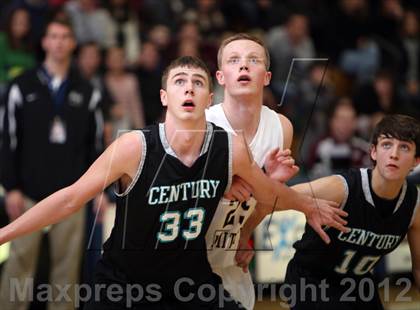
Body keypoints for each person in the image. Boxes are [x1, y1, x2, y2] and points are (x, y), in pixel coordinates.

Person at [0, 55, 345, 309]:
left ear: (210, 99)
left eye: (198, 82)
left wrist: (306, 205)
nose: (189, 88)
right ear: (165, 97)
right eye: (180, 81)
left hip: (190, 285)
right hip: (124, 286)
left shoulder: (230, 148)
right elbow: (69, 199)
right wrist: (4, 234)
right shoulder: (133, 147)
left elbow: (269, 192)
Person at [204, 33, 347, 310]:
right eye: (234, 60)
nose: (243, 66)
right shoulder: (204, 124)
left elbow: (264, 200)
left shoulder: (281, 127)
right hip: (186, 256)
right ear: (221, 77)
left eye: (253, 60)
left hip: (228, 256)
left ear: (267, 77)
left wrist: (245, 232)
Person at [239, 114, 420, 310]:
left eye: (404, 147)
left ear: (416, 161)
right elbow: (270, 200)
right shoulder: (340, 188)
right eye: (386, 144)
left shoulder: (414, 205)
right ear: (373, 152)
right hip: (311, 280)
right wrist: (244, 236)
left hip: (357, 285)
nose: (394, 154)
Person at [0, 17, 104, 310]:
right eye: (54, 36)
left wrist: (93, 191)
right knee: (18, 267)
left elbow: (96, 147)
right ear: (44, 42)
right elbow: (8, 140)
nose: (59, 42)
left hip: (71, 197)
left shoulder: (87, 91)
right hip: (28, 194)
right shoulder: (22, 85)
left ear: (72, 43)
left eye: (65, 36)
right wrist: (11, 188)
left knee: (66, 273)